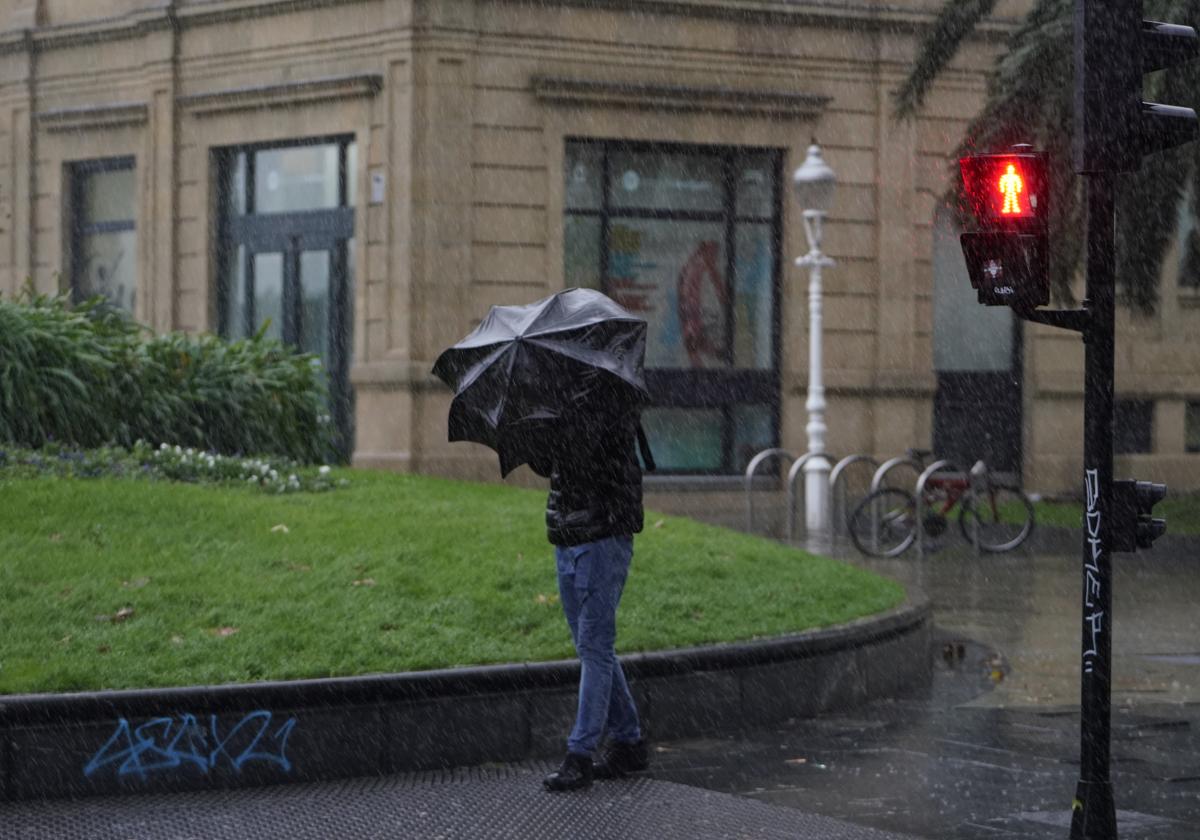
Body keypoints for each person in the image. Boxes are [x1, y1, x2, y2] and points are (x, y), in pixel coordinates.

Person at [530, 407, 654, 792]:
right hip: (567, 533)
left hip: (602, 534)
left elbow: (598, 462)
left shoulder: (612, 397)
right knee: (590, 645)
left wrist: (561, 424)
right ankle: (629, 742)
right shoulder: (555, 399)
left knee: (595, 645)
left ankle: (579, 755)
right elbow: (548, 465)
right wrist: (539, 431)